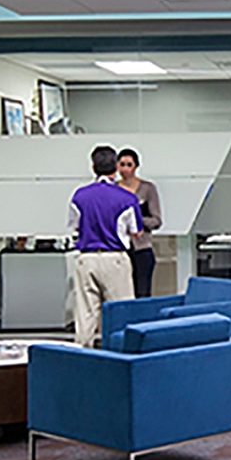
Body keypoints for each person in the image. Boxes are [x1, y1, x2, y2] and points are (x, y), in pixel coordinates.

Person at [67, 144, 141, 347]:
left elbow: (73, 228)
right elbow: (136, 231)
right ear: (116, 168)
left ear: (93, 167)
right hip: (115, 258)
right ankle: (120, 357)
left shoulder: (79, 196)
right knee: (121, 313)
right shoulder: (127, 198)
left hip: (86, 258)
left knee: (85, 315)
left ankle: (82, 360)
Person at [114, 147, 163, 297]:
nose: (125, 169)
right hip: (120, 249)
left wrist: (135, 221)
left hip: (141, 247)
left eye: (129, 165)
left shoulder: (147, 188)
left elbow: (156, 220)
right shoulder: (113, 189)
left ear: (136, 166)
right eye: (122, 164)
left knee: (142, 291)